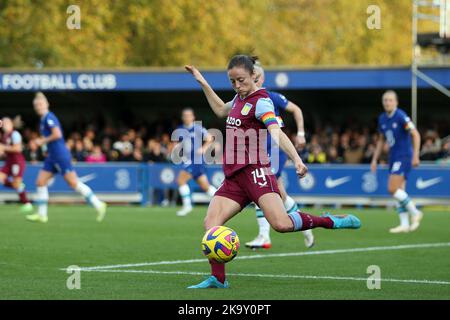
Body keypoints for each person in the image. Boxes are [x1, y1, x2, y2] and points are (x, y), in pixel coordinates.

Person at [185, 55, 361, 289]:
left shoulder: (262, 102)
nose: (237, 86)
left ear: (253, 77)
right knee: (211, 223)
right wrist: (202, 81)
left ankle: (329, 221)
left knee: (282, 224)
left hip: (257, 173)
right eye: (232, 81)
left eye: (241, 80)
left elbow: (276, 133)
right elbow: (219, 109)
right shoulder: (238, 98)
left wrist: (296, 159)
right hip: (235, 177)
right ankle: (218, 279)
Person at [245, 62, 314, 249]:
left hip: (274, 152)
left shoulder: (270, 97)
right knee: (280, 196)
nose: (253, 80)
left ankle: (264, 236)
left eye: (255, 77)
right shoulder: (245, 100)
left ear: (260, 78)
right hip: (258, 154)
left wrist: (300, 133)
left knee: (260, 191)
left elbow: (297, 110)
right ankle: (306, 226)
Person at [25, 92, 107, 223]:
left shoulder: (49, 117)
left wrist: (41, 141)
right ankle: (42, 215)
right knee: (40, 182)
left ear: (47, 104)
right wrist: (46, 148)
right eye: (36, 105)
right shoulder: (43, 120)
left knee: (73, 183)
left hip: (60, 155)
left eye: (40, 104)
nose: (38, 107)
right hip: (52, 156)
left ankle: (98, 204)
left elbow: (57, 134)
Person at [371, 90, 422, 233]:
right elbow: (381, 140)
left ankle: (415, 212)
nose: (387, 102)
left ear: (396, 102)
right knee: (399, 191)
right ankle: (404, 224)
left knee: (392, 189)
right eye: (385, 100)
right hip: (393, 157)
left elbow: (415, 134)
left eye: (390, 100)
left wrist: (416, 155)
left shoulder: (400, 116)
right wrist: (375, 159)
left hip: (404, 155)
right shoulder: (382, 118)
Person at [175, 108, 217, 216]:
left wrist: (203, 148)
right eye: (185, 115)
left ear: (193, 117)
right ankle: (224, 200)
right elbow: (179, 143)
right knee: (205, 186)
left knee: (180, 180)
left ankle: (187, 206)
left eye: (189, 115)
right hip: (188, 160)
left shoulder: (197, 128)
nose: (187, 117)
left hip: (196, 160)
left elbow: (209, 138)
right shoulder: (180, 129)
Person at [0, 117, 33, 212]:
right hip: (9, 162)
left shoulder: (15, 134)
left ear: (11, 124)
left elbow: (18, 149)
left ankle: (27, 203)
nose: (4, 125)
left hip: (17, 162)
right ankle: (19, 186)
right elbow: (5, 150)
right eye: (4, 123)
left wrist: (3, 147)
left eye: (6, 123)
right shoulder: (5, 136)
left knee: (16, 183)